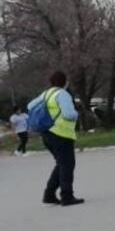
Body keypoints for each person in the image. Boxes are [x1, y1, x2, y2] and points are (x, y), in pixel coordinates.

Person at [27, 72, 83, 205]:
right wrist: (76, 113)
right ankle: (67, 196)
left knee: (61, 164)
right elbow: (69, 114)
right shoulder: (62, 94)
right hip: (61, 134)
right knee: (67, 165)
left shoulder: (46, 94)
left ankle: (49, 195)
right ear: (65, 82)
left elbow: (30, 106)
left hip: (47, 133)